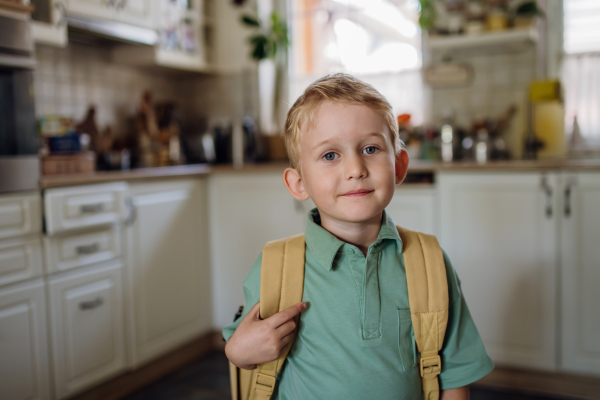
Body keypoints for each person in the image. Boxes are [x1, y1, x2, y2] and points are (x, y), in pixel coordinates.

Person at [223, 73, 494, 399]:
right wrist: (236, 352)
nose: (355, 168)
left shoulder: (429, 262)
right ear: (299, 184)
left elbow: (454, 374)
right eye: (330, 155)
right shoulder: (275, 266)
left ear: (399, 166)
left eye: (370, 148)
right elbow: (244, 348)